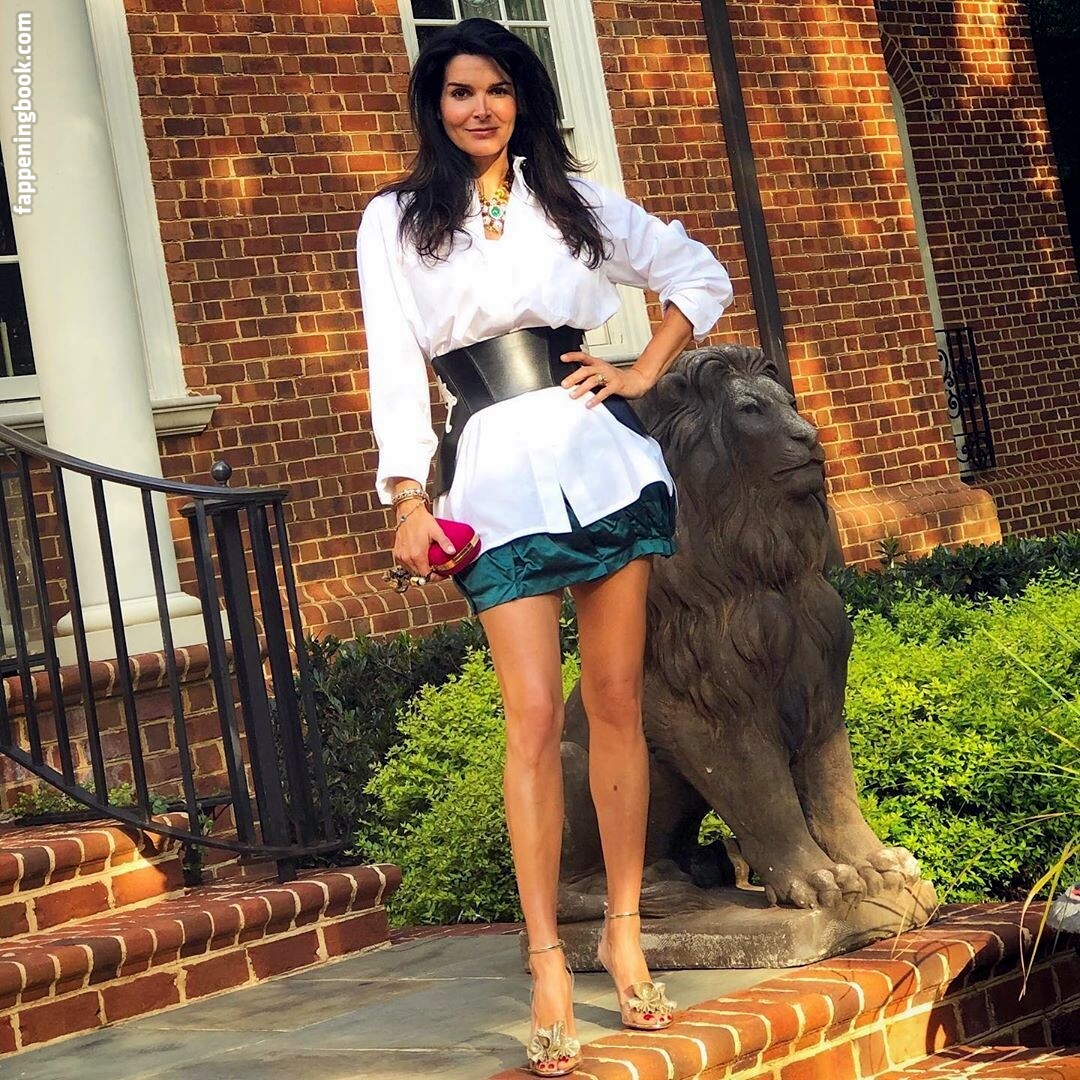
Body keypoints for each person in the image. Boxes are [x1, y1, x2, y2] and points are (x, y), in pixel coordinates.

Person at [356, 18, 732, 1077]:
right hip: (490, 478)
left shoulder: (572, 201)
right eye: (459, 92)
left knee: (614, 704)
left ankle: (622, 932)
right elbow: (392, 363)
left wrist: (645, 366)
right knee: (529, 717)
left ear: (521, 99)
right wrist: (406, 496)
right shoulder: (396, 220)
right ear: (435, 107)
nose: (479, 108)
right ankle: (546, 961)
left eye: (497, 89)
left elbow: (696, 271)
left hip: (600, 460)